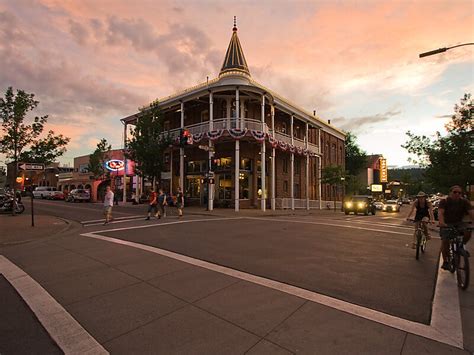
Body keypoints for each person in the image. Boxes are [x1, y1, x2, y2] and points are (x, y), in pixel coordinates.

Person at [438, 185, 473, 270]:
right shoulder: (444, 201)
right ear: (450, 193)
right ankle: (445, 261)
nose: (457, 194)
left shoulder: (465, 202)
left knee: (468, 231)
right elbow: (440, 213)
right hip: (447, 223)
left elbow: (472, 213)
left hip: (459, 223)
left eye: (459, 193)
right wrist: (442, 223)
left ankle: (461, 246)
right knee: (445, 240)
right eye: (455, 192)